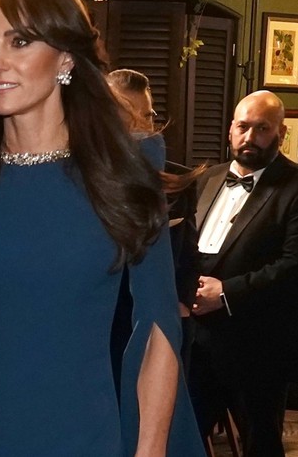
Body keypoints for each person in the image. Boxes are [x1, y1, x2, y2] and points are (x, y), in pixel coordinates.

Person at [0, 0, 205, 456]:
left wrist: (149, 450)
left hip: (83, 436)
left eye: (20, 42)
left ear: (65, 59)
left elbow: (159, 325)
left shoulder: (123, 169)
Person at [189, 90, 298, 457]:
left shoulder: (295, 186)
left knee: (260, 446)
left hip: (258, 347)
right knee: (184, 440)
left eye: (262, 128)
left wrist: (225, 294)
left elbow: (292, 266)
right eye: (243, 126)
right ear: (230, 130)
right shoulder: (206, 179)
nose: (250, 137)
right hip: (194, 341)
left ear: (280, 134)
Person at [107, 68, 203, 372]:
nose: (139, 128)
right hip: (99, 332)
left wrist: (183, 307)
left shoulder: (177, 182)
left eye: (146, 117)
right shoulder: (79, 179)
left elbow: (188, 255)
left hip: (158, 333)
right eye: (127, 117)